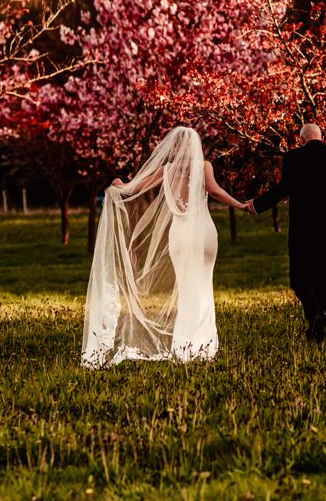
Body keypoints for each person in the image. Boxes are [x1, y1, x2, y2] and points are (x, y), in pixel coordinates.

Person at [81, 127, 248, 368]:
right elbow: (214, 191)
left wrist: (120, 184)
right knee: (203, 286)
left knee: (187, 288)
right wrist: (240, 205)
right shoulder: (205, 167)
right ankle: (203, 344)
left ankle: (184, 345)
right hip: (204, 234)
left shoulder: (165, 171)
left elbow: (133, 188)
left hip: (180, 235)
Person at [246, 124, 326, 343]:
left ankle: (315, 316)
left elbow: (283, 189)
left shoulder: (293, 158)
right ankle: (318, 329)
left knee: (298, 279)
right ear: (323, 137)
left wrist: (257, 205)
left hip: (302, 229)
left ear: (300, 140)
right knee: (323, 280)